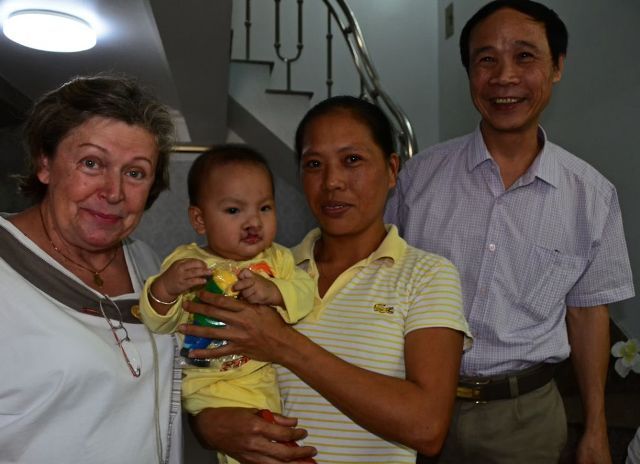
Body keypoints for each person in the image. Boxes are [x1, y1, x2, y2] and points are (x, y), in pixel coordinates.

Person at [384, 1, 635, 463]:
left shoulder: (591, 197)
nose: (504, 77)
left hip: (526, 421)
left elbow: (587, 316)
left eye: (524, 56)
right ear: (469, 72)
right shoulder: (418, 180)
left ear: (557, 67)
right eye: (486, 59)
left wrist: (596, 428)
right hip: (414, 402)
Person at [179, 96, 472, 463]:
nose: (332, 181)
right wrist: (207, 425)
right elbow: (205, 371)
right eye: (314, 164)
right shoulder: (261, 273)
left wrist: (283, 343)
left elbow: (427, 427)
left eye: (352, 160)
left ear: (392, 170)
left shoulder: (428, 275)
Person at [0, 75, 182, 463]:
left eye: (135, 173)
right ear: (45, 163)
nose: (113, 192)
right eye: (92, 163)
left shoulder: (148, 264)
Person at [139, 145, 315, 464]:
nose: (253, 222)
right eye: (234, 211)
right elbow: (158, 321)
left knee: (268, 443)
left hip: (258, 380)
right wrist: (165, 288)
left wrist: (275, 291)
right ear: (200, 219)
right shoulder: (187, 263)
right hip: (208, 384)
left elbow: (304, 295)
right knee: (255, 443)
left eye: (264, 208)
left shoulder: (278, 259)